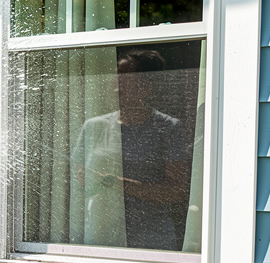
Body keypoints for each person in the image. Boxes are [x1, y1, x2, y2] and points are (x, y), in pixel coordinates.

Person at [74, 49, 191, 251]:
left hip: (151, 241)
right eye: (116, 77)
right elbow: (79, 183)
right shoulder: (94, 126)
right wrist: (86, 180)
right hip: (101, 236)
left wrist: (117, 182)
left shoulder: (167, 128)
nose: (115, 86)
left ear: (146, 88)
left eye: (125, 78)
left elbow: (176, 192)